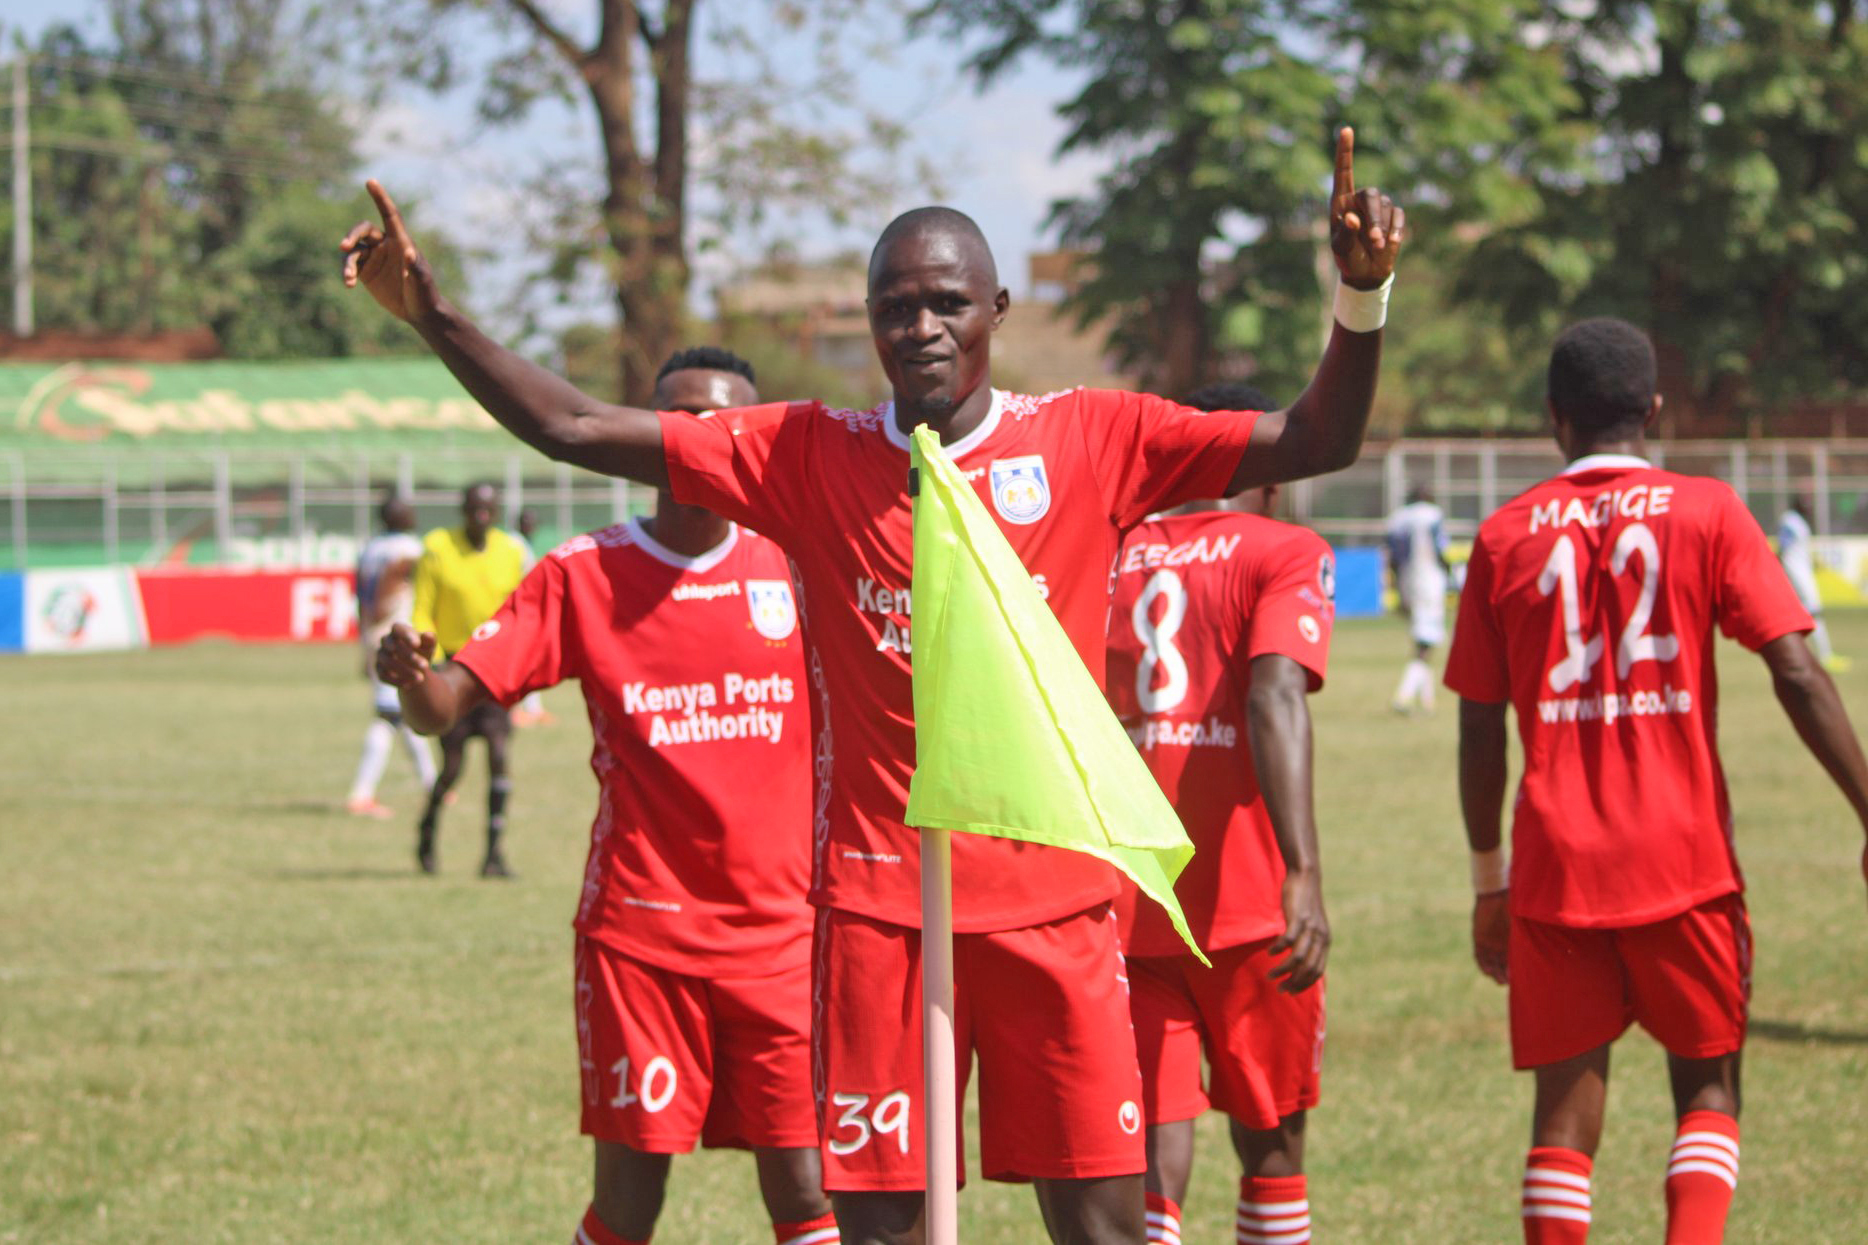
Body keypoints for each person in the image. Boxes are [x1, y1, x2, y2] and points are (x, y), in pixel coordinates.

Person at [343, 126, 1402, 1245]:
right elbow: (570, 425)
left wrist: (1360, 297)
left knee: (1102, 1227)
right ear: (870, 322)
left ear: (994, 307)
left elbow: (1315, 437)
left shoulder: (1094, 437)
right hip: (880, 916)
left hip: (1056, 910)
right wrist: (433, 317)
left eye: (945, 301)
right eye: (896, 307)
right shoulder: (805, 452)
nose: (921, 327)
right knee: (883, 1228)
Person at [377, 348, 839, 1245]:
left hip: (786, 942)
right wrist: (410, 678)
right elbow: (445, 707)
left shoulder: (797, 564)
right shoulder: (583, 572)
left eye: (724, 423)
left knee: (807, 1189)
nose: (702, 439)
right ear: (647, 433)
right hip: (643, 941)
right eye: (681, 420)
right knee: (630, 1201)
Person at [1443, 318, 1868, 1244]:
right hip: (1685, 859)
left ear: (1554, 417)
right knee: (1708, 1086)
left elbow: (1480, 726)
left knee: (1562, 1119)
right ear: (1655, 410)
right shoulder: (1709, 510)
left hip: (1556, 866)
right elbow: (1796, 670)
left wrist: (1490, 883)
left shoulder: (1504, 534)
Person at [1106, 383, 1333, 1245]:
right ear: (1269, 476)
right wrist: (1303, 869)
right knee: (1270, 1138)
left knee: (1155, 1145)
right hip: (1248, 901)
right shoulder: (1283, 547)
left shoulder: (1109, 551)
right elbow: (1275, 694)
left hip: (1130, 898)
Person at [409, 481, 529, 876]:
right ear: (463, 510)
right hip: (454, 667)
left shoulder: (509, 552)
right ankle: (427, 832)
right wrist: (429, 660)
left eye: (488, 509)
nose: (482, 515)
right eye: (474, 508)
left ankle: (494, 854)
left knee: (499, 757)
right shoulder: (438, 548)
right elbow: (423, 608)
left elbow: (517, 610)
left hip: (494, 669)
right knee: (453, 766)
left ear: (496, 513)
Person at [345, 491, 437, 816]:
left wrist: (366, 634)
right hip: (395, 634)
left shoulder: (370, 548)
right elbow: (389, 585)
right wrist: (386, 611)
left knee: (402, 709)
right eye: (408, 511)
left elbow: (359, 596)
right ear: (397, 516)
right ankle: (361, 794)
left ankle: (433, 784)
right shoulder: (407, 549)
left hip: (373, 633)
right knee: (389, 716)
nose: (413, 515)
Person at [1386, 483, 1450, 713]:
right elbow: (1440, 549)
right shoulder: (1432, 514)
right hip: (1429, 580)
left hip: (1407, 581)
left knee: (1423, 637)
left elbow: (1391, 557)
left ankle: (1426, 701)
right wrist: (1451, 574)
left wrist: (1396, 588)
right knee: (1426, 643)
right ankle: (1403, 696)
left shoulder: (1397, 518)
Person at [1777, 497, 1848, 672]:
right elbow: (1784, 546)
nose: (1809, 509)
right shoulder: (1791, 520)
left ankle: (1813, 654)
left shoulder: (1798, 521)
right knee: (1813, 612)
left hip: (1800, 572)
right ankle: (1824, 656)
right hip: (1797, 574)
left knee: (1800, 613)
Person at [509, 507, 559, 726]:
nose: (530, 526)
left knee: (530, 660)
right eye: (526, 521)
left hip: (524, 611)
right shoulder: (515, 544)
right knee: (519, 660)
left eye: (532, 522)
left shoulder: (523, 544)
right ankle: (516, 709)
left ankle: (532, 708)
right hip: (517, 612)